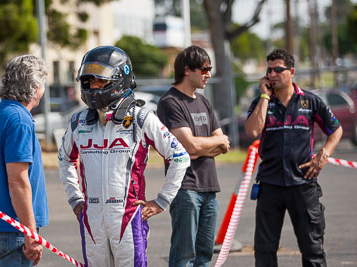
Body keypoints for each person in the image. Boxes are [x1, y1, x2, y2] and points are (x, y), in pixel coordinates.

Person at [58, 46, 190, 267]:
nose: (92, 86)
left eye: (99, 80)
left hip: (128, 217)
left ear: (118, 79)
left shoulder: (141, 118)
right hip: (92, 220)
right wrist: (75, 198)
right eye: (88, 81)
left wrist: (161, 201)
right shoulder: (78, 122)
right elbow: (65, 160)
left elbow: (179, 157)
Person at [245, 49, 343, 267]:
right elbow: (252, 131)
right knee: (264, 251)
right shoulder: (262, 101)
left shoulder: (310, 101)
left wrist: (323, 154)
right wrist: (263, 96)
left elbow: (336, 130)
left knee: (313, 250)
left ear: (291, 72)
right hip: (270, 184)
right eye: (269, 70)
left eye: (278, 70)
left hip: (303, 184)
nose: (272, 74)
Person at [157, 45, 230, 267]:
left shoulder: (204, 101)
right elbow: (190, 146)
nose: (208, 74)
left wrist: (202, 146)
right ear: (187, 70)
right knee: (184, 257)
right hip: (186, 189)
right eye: (204, 69)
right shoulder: (170, 102)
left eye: (210, 69)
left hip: (210, 189)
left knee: (204, 257)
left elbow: (224, 144)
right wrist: (204, 146)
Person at [0, 55, 49, 266]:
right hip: (14, 225)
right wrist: (29, 231)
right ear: (35, 86)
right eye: (44, 83)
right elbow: (17, 181)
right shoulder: (20, 120)